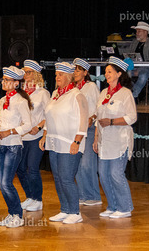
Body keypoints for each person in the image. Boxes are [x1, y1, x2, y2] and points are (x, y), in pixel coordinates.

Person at [40, 62, 88, 224]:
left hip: (70, 142)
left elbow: (83, 120)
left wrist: (77, 141)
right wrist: (44, 136)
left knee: (67, 178)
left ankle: (75, 212)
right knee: (58, 178)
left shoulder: (77, 95)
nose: (57, 77)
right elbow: (48, 117)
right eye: (56, 75)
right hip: (54, 142)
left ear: (68, 76)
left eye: (60, 75)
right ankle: (65, 209)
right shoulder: (55, 94)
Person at [0, 66, 32, 228]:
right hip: (0, 146)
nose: (3, 82)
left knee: (6, 183)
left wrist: (10, 132)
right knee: (1, 183)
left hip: (13, 146)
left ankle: (18, 215)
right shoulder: (3, 100)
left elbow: (28, 125)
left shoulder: (21, 101)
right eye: (3, 79)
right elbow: (1, 123)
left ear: (16, 83)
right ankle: (12, 212)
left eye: (7, 80)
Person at [94, 56, 137, 219]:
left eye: (110, 71)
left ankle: (125, 207)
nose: (106, 74)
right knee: (103, 174)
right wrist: (96, 139)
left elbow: (132, 117)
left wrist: (111, 122)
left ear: (119, 74)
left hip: (120, 140)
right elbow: (98, 119)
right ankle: (112, 206)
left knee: (115, 174)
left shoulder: (125, 93)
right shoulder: (103, 93)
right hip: (104, 141)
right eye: (105, 72)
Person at [17, 60, 50, 213]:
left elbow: (49, 116)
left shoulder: (43, 93)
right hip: (21, 137)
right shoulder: (19, 92)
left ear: (36, 74)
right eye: (24, 72)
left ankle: (38, 199)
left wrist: (39, 127)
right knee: (20, 169)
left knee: (32, 168)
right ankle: (30, 196)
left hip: (36, 136)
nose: (25, 75)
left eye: (28, 72)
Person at [73, 58, 102, 206]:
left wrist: (93, 117)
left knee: (87, 164)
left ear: (85, 72)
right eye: (74, 70)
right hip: (76, 129)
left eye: (78, 70)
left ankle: (93, 196)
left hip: (89, 129)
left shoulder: (91, 87)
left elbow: (99, 107)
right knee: (77, 164)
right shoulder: (72, 89)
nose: (75, 72)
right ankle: (82, 195)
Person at [126, 21, 149, 99]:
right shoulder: (134, 43)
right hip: (133, 68)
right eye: (136, 31)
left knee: (143, 76)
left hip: (148, 69)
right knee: (123, 74)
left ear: (145, 32)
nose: (137, 33)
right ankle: (134, 92)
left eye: (139, 31)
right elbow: (129, 54)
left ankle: (133, 96)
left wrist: (140, 68)